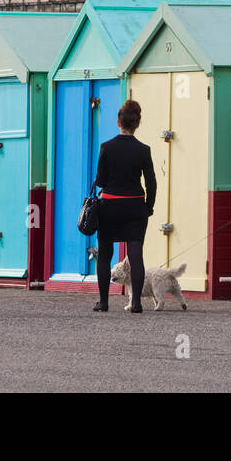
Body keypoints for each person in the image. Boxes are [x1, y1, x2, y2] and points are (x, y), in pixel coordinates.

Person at [93, 99, 156, 313]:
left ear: (118, 121)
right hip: (135, 206)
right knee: (136, 254)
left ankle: (103, 302)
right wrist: (149, 206)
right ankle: (136, 302)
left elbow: (100, 181)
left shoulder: (106, 147)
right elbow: (151, 182)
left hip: (110, 205)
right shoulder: (143, 150)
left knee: (105, 253)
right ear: (137, 124)